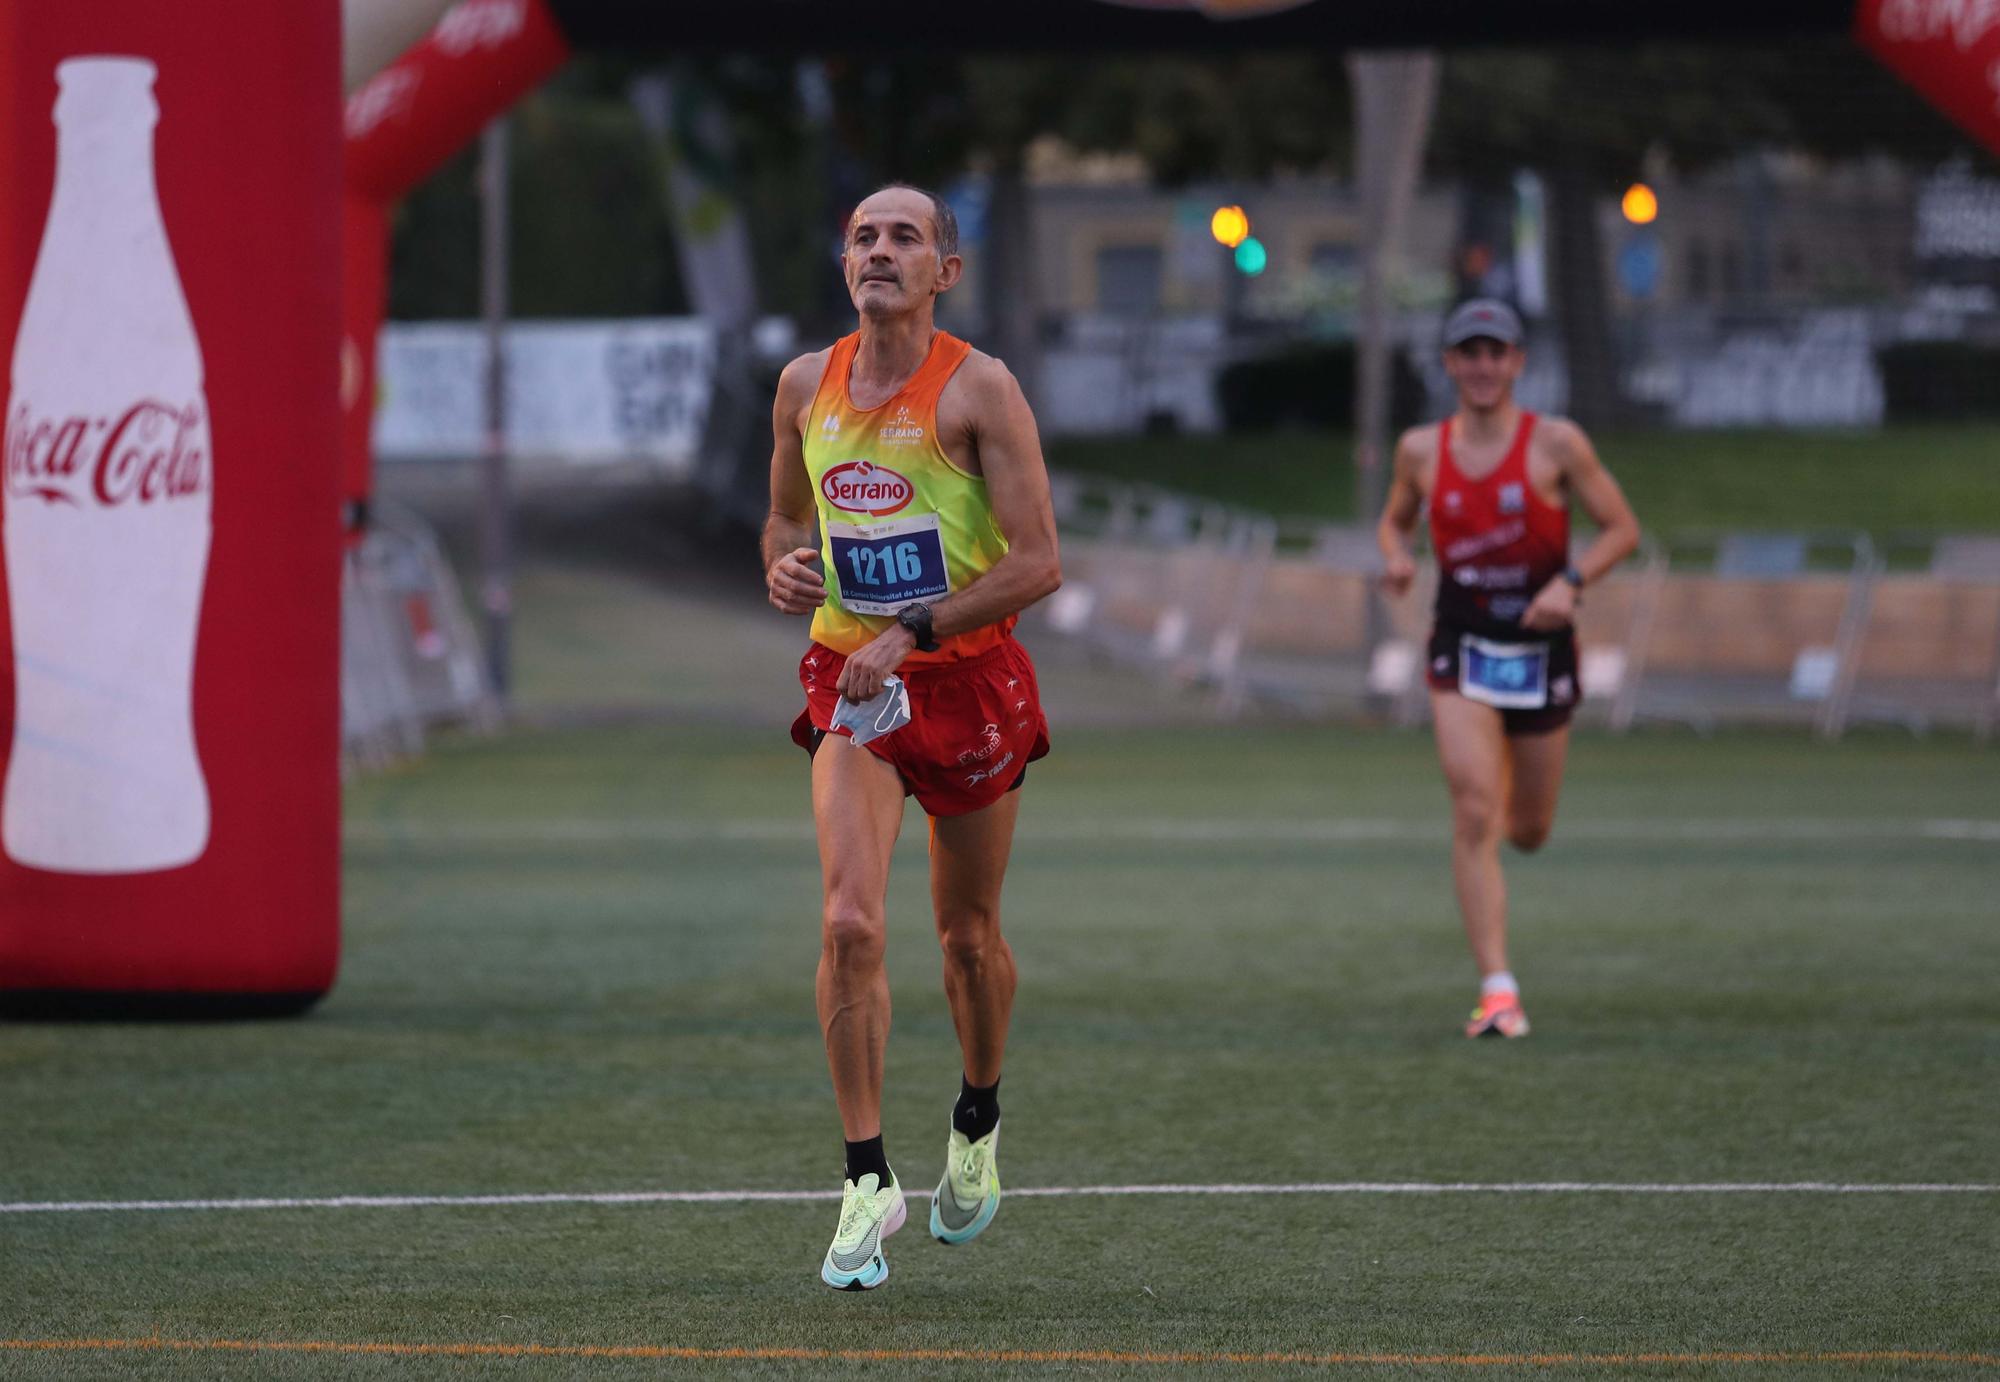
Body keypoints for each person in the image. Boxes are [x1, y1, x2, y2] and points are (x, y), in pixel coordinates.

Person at [763, 184, 1061, 1290]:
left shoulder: (980, 388)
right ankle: (863, 1176)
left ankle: (975, 1116)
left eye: (903, 238)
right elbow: (786, 517)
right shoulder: (804, 384)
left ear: (946, 268)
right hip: (856, 679)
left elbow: (1038, 561)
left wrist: (917, 627)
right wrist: (782, 561)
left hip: (966, 680)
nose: (878, 252)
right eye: (861, 237)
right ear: (843, 263)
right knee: (848, 921)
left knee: (965, 935)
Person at [1377, 299, 1641, 1039]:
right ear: (1451, 364)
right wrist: (1398, 558)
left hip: (1540, 652)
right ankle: (1498, 988)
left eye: (1497, 352)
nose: (1484, 366)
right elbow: (1394, 519)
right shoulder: (1421, 450)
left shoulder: (1557, 444)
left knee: (1527, 829)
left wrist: (1573, 582)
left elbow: (1622, 528)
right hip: (1462, 646)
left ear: (1518, 362)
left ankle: (1509, 839)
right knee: (1472, 810)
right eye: (1470, 353)